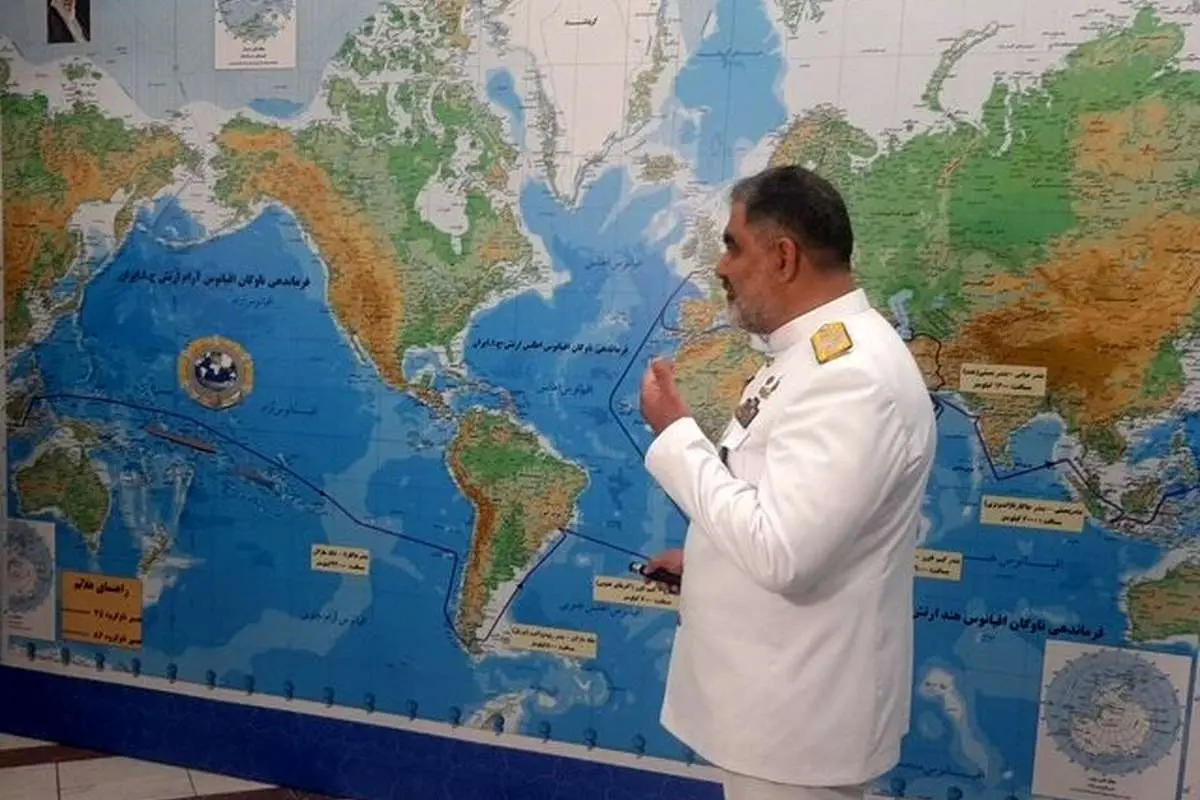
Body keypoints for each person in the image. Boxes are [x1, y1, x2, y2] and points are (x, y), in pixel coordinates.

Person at [638, 164, 937, 800]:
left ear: (783, 257)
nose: (721, 267)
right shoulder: (818, 355)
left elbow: (782, 553)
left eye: (733, 246)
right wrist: (709, 561)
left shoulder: (849, 378)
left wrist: (676, 435)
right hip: (778, 714)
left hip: (799, 731)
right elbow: (791, 515)